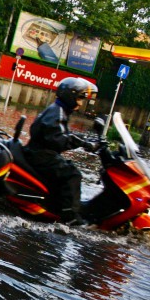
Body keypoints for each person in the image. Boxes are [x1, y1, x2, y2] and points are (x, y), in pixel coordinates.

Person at [25, 77, 100, 225]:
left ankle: (57, 206)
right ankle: (70, 216)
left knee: (67, 167)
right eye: (79, 99)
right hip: (41, 155)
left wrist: (83, 140)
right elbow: (58, 139)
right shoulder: (57, 112)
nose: (80, 103)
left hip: (41, 152)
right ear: (70, 97)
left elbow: (63, 134)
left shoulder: (59, 110)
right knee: (72, 174)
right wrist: (83, 143)